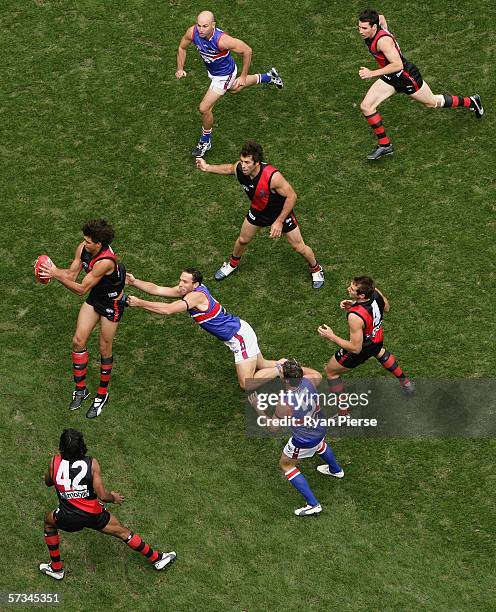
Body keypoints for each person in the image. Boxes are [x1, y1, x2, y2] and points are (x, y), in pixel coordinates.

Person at [40, 429, 176, 580]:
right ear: (82, 447)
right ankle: (157, 559)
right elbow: (103, 496)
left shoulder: (54, 462)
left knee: (48, 522)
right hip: (93, 515)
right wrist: (114, 497)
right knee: (123, 532)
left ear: (61, 447)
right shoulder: (91, 464)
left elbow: (48, 482)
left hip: (67, 516)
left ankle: (57, 569)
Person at [126, 267, 284, 389]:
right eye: (180, 280)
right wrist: (134, 282)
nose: (180, 284)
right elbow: (157, 289)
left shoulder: (196, 296)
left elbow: (168, 310)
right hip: (241, 329)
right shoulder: (189, 290)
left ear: (195, 284)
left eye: (185, 282)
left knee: (246, 384)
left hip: (239, 337)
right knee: (262, 365)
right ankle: (287, 364)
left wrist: (140, 303)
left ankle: (282, 368)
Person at [196, 140, 325, 289]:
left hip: (280, 213)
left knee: (299, 247)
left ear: (257, 163)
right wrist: (207, 167)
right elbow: (229, 168)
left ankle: (316, 269)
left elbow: (292, 196)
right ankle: (232, 264)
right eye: (242, 161)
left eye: (247, 162)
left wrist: (279, 221)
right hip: (258, 211)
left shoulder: (273, 177)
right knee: (243, 240)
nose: (243, 165)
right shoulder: (241, 169)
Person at [358, 9, 484, 160]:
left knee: (432, 103)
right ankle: (385, 146)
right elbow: (382, 17)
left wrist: (371, 73)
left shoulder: (383, 42)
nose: (360, 31)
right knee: (366, 106)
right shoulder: (376, 27)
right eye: (359, 27)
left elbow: (397, 65)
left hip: (406, 77)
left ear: (374, 27)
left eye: (364, 28)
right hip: (390, 76)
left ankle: (472, 101)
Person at [38, 219, 126, 419]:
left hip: (111, 303)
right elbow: (71, 274)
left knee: (104, 348)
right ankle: (81, 389)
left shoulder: (105, 261)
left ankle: (102, 395)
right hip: (96, 297)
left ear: (99, 244)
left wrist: (55, 275)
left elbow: (80, 289)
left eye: (88, 241)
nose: (84, 243)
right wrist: (51, 271)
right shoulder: (84, 248)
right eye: (84, 239)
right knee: (78, 341)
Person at [176, 10, 284, 157]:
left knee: (204, 108)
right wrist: (180, 68)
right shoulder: (192, 32)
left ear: (213, 25)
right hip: (214, 73)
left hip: (224, 75)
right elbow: (182, 47)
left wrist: (244, 76)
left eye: (205, 26)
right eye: (199, 25)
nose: (201, 30)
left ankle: (205, 141)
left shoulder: (223, 40)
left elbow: (247, 50)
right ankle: (269, 77)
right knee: (234, 89)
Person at [250, 359, 344, 517]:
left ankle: (313, 504)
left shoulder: (284, 403)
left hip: (304, 440)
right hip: (320, 427)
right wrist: (295, 368)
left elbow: (273, 427)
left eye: (281, 372)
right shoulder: (311, 380)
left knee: (286, 465)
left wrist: (258, 408)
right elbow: (316, 373)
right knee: (320, 444)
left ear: (286, 379)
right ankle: (336, 470)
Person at [318, 276, 414, 403]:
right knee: (379, 351)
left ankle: (343, 413)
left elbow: (355, 348)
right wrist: (355, 304)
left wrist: (331, 336)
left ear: (362, 295)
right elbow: (386, 307)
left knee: (330, 371)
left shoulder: (354, 317)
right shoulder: (375, 292)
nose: (348, 289)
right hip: (377, 339)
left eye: (352, 289)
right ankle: (406, 384)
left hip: (363, 347)